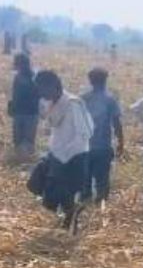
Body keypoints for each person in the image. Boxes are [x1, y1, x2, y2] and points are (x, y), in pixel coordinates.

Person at [36, 71, 93, 230]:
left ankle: (71, 227)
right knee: (50, 196)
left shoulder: (73, 103)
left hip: (74, 156)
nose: (41, 93)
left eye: (42, 89)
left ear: (54, 86)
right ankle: (69, 221)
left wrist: (65, 155)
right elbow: (54, 130)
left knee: (67, 194)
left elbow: (85, 133)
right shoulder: (50, 103)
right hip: (57, 155)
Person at [81, 68, 124, 204]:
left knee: (84, 182)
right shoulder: (110, 100)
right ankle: (101, 209)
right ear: (105, 80)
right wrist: (121, 142)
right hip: (103, 147)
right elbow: (116, 123)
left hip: (85, 147)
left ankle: (84, 208)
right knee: (102, 181)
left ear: (90, 81)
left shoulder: (83, 99)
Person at [9, 53, 40, 160]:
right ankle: (19, 159)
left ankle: (26, 162)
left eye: (18, 65)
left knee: (28, 140)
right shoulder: (17, 77)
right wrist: (12, 106)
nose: (17, 67)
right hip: (19, 112)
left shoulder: (35, 77)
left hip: (31, 113)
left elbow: (39, 94)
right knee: (18, 139)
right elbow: (14, 94)